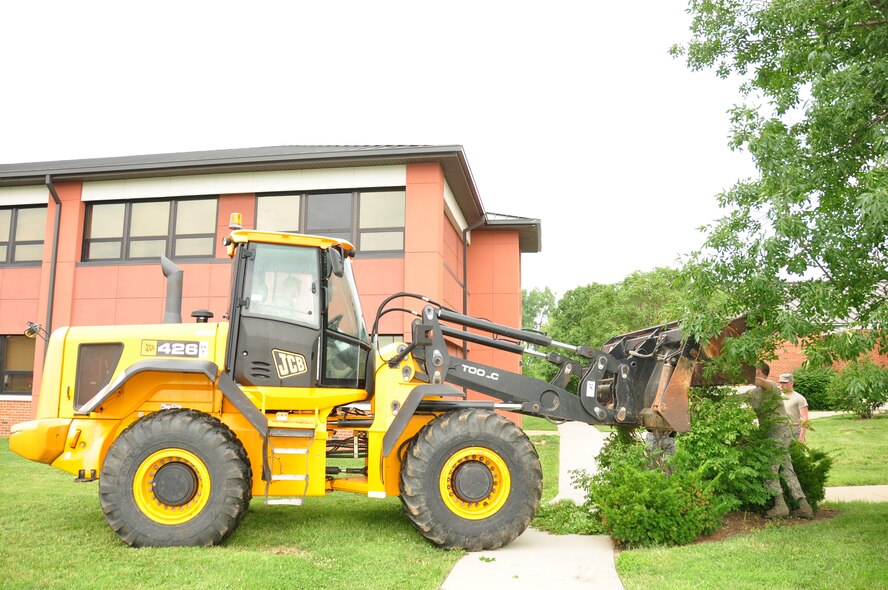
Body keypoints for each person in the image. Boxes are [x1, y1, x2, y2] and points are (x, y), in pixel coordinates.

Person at [749, 364, 814, 519]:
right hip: (769, 433)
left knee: (769, 468)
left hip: (780, 433)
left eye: (754, 370)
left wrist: (742, 375)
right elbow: (734, 398)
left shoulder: (772, 386)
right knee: (786, 469)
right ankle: (804, 507)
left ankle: (780, 506)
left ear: (761, 372)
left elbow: (761, 383)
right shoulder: (754, 393)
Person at [779, 373, 809, 443]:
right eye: (780, 382)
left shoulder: (799, 398)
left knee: (796, 453)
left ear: (792, 383)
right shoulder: (777, 397)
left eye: (785, 383)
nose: (782, 385)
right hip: (780, 430)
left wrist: (801, 436)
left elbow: (805, 419)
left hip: (794, 430)